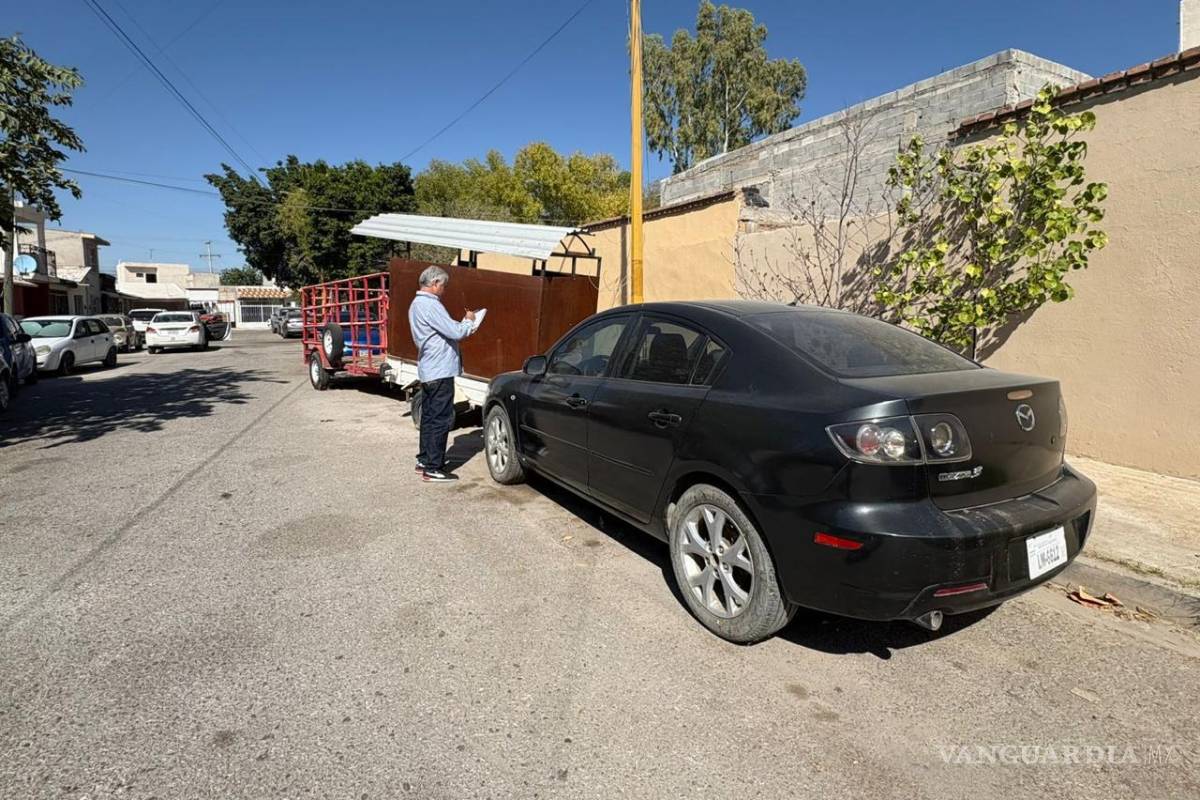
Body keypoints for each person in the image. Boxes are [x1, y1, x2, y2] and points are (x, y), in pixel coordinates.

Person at [408, 265, 478, 482]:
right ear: (435, 283)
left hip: (429, 368)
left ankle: (424, 459)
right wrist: (469, 320)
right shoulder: (431, 305)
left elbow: (443, 330)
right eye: (443, 286)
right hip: (440, 369)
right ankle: (433, 467)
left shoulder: (415, 305)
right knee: (440, 419)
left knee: (429, 417)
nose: (444, 290)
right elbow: (455, 332)